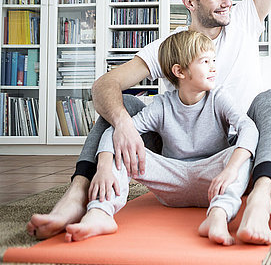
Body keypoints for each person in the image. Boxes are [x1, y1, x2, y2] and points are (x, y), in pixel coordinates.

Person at [27, 0, 271, 245]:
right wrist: (122, 123)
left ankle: (260, 198)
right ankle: (79, 194)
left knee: (270, 100)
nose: (228, 2)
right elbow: (105, 85)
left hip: (231, 154)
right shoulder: (169, 47)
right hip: (176, 158)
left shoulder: (245, 19)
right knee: (125, 105)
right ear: (190, 2)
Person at [65, 31, 258, 245]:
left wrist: (231, 168)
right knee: (122, 144)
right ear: (179, 71)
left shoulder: (219, 97)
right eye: (205, 61)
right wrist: (102, 167)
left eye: (213, 60)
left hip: (212, 182)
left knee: (241, 156)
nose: (213, 67)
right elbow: (115, 133)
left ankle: (218, 214)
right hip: (171, 180)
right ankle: (100, 213)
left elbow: (248, 127)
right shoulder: (162, 105)